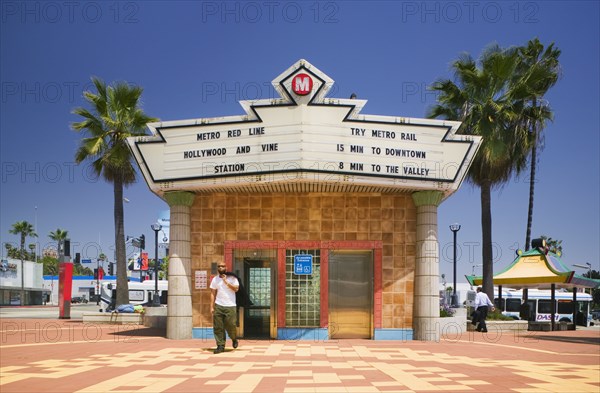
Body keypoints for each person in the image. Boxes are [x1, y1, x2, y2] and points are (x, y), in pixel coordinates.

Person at [210, 263, 239, 354]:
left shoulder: (232, 278)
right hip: (219, 305)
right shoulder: (215, 279)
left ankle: (234, 338)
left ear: (226, 267)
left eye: (222, 266)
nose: (220, 267)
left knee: (231, 325)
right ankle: (220, 346)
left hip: (230, 306)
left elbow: (236, 289)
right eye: (219, 266)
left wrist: (226, 281)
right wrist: (211, 306)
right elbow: (212, 293)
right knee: (218, 327)